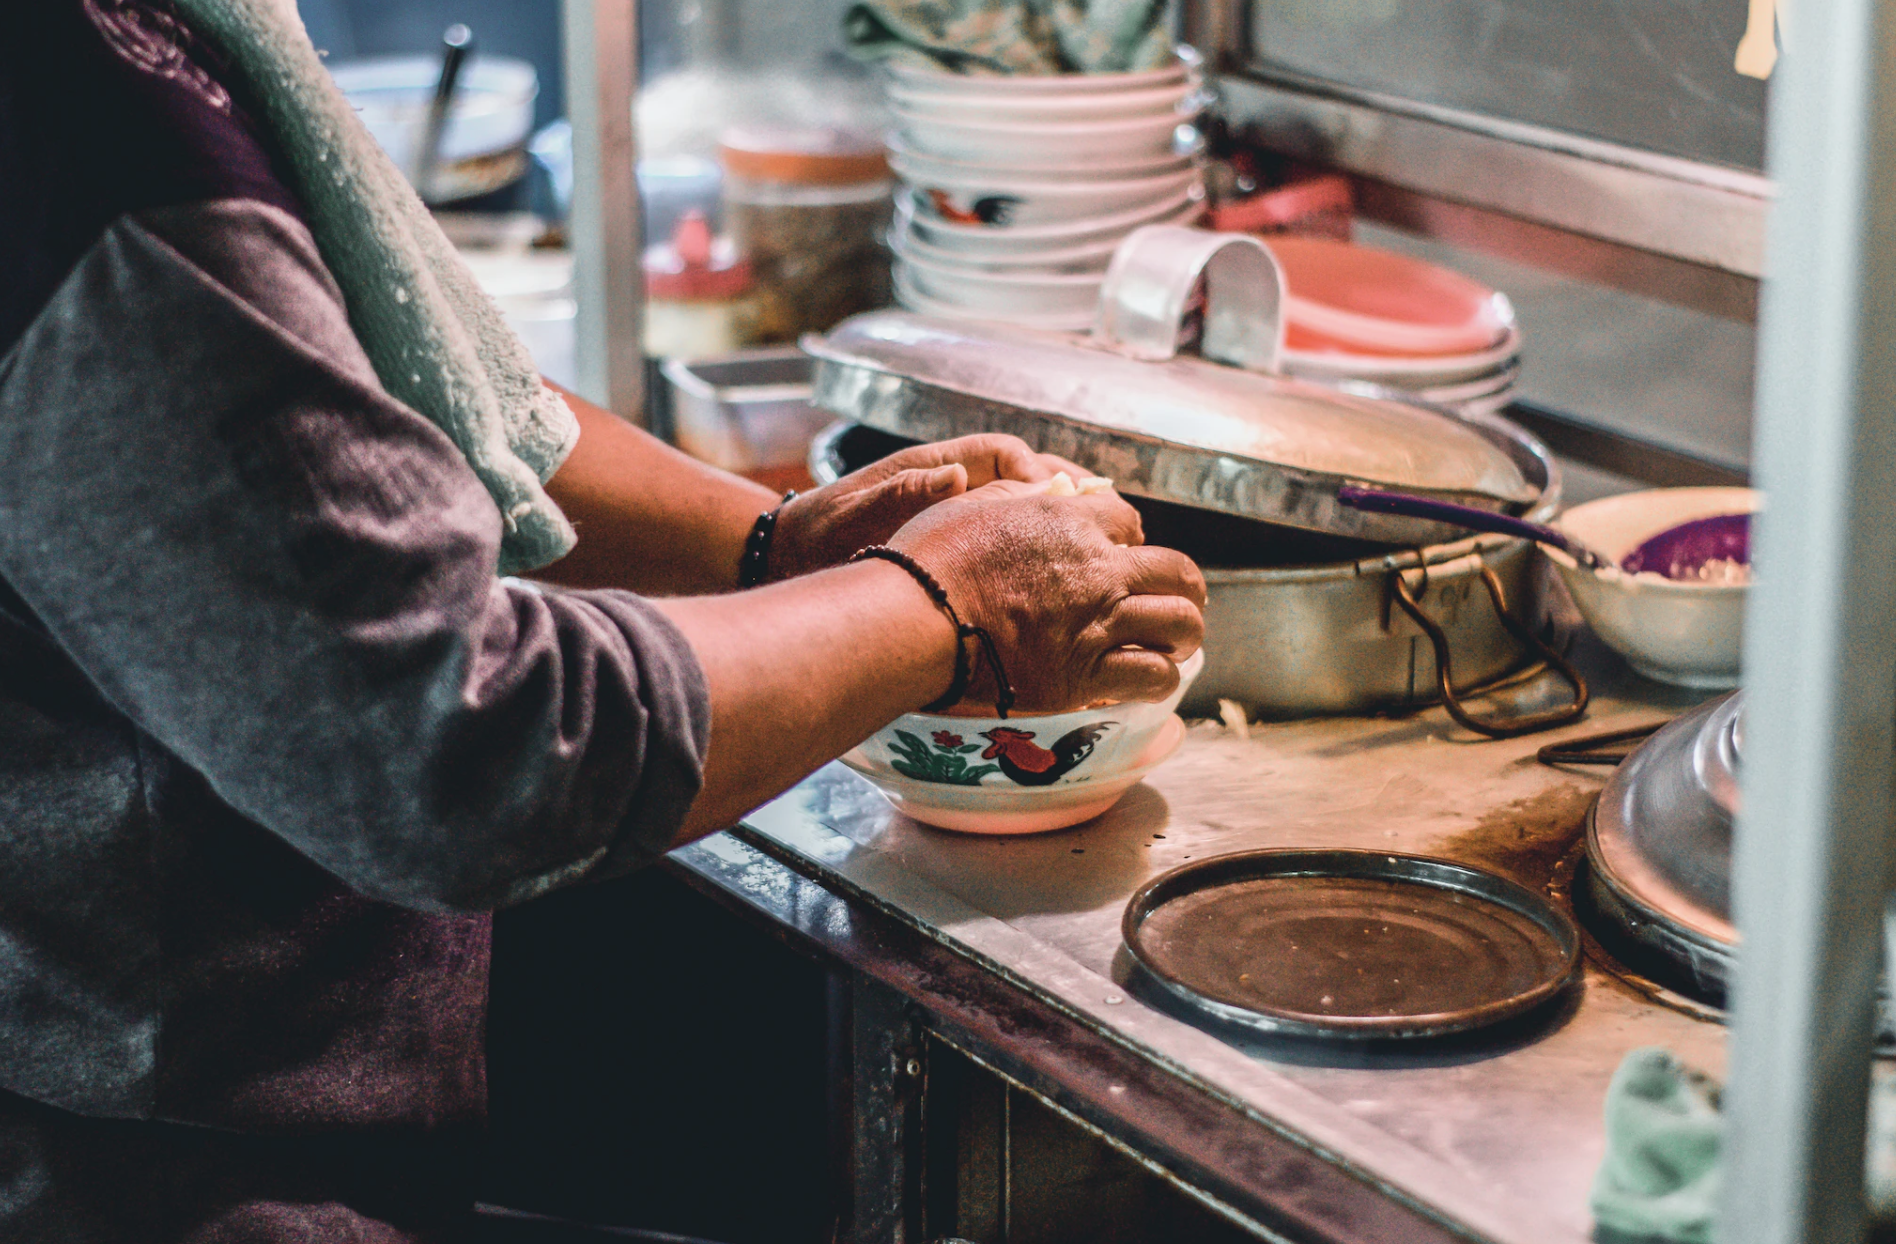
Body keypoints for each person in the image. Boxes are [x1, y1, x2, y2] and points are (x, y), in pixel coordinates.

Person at [0, 2, 1206, 1240]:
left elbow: (420, 387)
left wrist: (776, 545)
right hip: (142, 1169)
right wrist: (939, 602)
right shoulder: (72, 115)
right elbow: (452, 736)